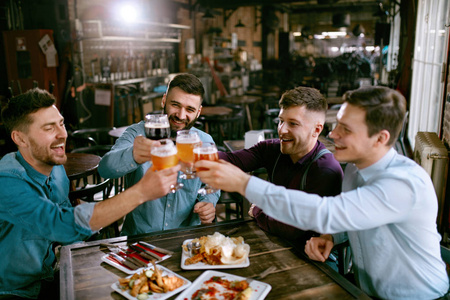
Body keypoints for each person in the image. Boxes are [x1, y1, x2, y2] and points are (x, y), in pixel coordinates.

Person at [194, 86, 449, 300]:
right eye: (337, 124)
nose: (332, 134)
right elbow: (354, 217)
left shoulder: (402, 183)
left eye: (346, 129)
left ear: (380, 138)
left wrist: (243, 184)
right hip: (364, 291)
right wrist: (332, 236)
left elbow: (323, 213)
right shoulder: (355, 170)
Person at [0, 88, 180, 299]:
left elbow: (68, 230)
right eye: (49, 128)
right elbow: (60, 225)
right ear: (19, 139)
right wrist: (140, 192)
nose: (63, 134)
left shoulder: (56, 168)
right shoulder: (7, 181)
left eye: (61, 124)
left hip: (49, 276)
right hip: (13, 291)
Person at [98, 73, 219, 236]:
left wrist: (208, 203)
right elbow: (105, 169)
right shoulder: (137, 134)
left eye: (190, 109)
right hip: (140, 238)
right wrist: (134, 155)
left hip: (186, 239)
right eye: (175, 105)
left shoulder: (205, 142)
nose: (181, 115)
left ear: (198, 112)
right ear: (164, 101)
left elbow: (212, 183)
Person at [219, 86, 343, 243]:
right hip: (275, 241)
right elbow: (230, 160)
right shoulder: (272, 149)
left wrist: (258, 210)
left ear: (316, 129)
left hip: (309, 257)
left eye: (293, 124)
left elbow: (292, 229)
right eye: (281, 121)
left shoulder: (325, 169)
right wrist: (195, 151)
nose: (281, 130)